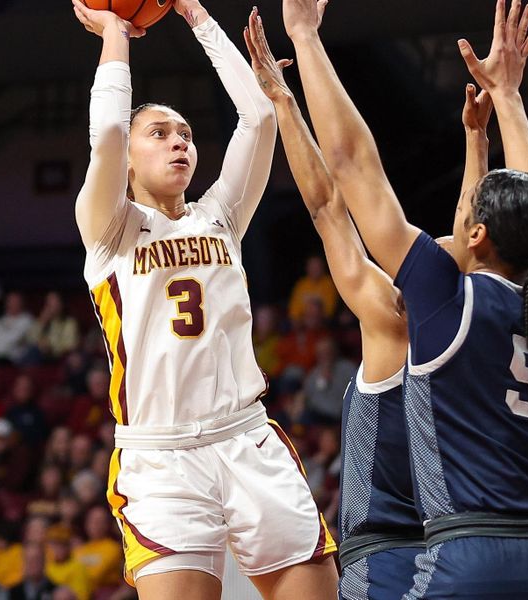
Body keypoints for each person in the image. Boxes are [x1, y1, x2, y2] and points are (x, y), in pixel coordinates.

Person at [283, 0, 528, 597]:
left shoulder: (445, 301)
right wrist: (510, 101)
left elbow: (352, 164)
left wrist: (306, 38)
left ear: (478, 236)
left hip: (475, 557)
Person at [70, 0, 337, 598]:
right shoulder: (110, 228)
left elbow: (259, 117)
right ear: (131, 158)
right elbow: (109, 130)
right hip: (161, 458)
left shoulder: (220, 217)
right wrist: (116, 33)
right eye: (158, 134)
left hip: (247, 437)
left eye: (186, 134)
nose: (178, 143)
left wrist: (196, 16)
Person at [242, 16, 490, 597]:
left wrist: (283, 101)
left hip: (382, 557)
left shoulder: (390, 318)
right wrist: (477, 143)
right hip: (455, 552)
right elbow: (472, 242)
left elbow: (328, 205)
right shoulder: (481, 331)